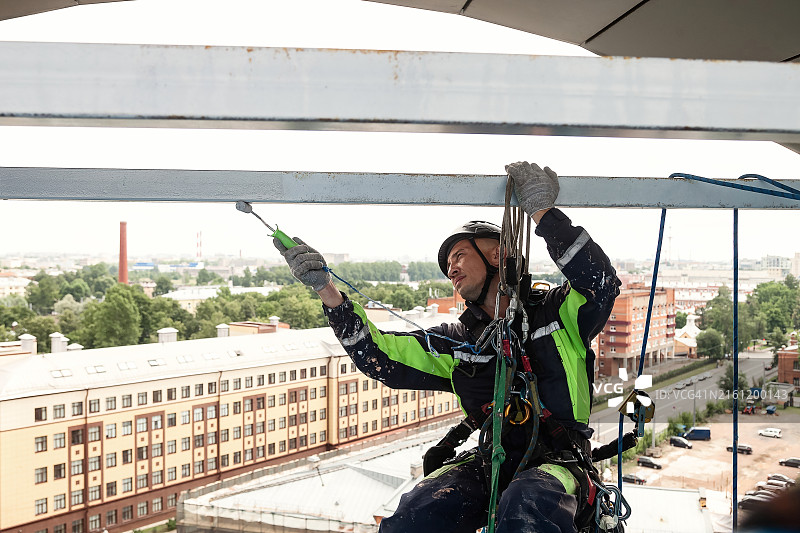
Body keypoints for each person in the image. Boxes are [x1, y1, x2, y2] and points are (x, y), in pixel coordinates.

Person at [274, 161, 620, 533]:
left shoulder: (558, 312)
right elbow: (380, 357)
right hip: (493, 461)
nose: (451, 269)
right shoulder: (457, 342)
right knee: (416, 513)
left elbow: (599, 283)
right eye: (447, 265)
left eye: (458, 256)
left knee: (527, 504)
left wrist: (543, 213)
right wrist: (326, 290)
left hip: (559, 464)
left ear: (496, 254)